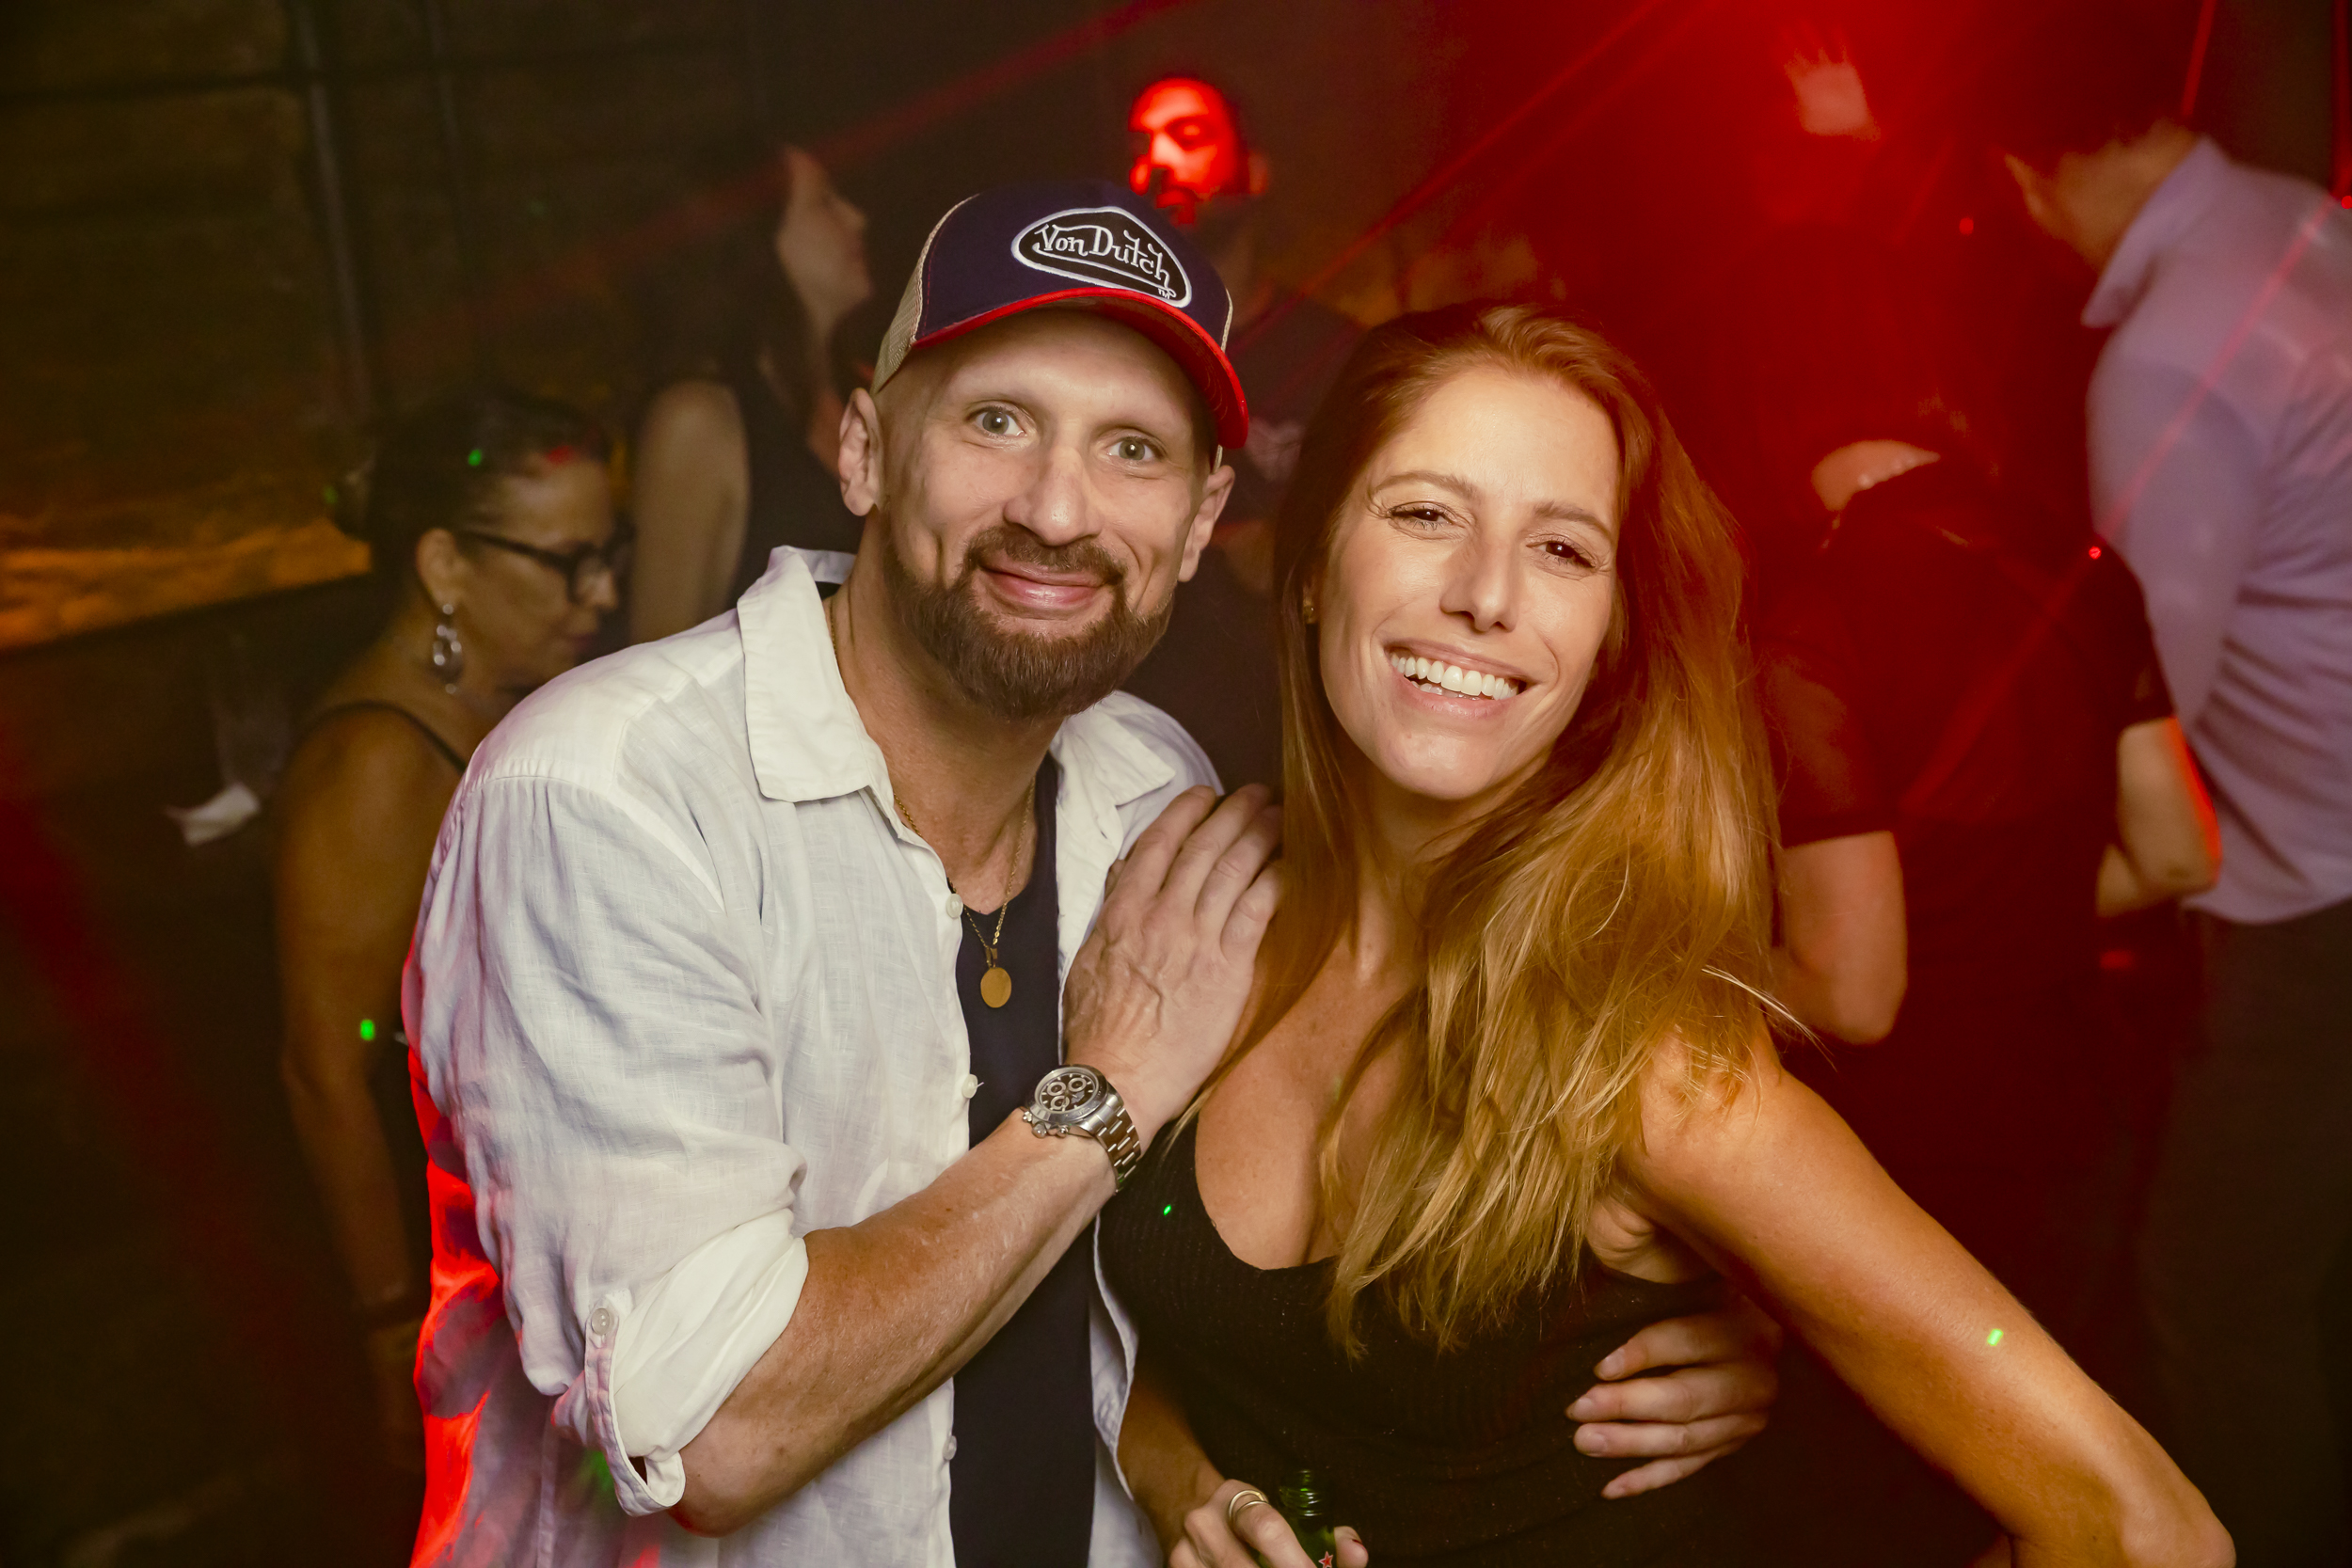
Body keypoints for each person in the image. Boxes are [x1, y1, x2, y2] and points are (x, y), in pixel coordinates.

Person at [400, 183, 1778, 1567]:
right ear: (865, 449)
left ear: (1203, 516)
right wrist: (1102, 1099)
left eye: (1133, 449)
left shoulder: (1155, 792)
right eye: (996, 422)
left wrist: (1669, 1315)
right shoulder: (610, 796)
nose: (1058, 509)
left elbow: (1218, 1268)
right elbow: (716, 1433)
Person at [1095, 303, 2231, 1568]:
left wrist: (1784, 1312)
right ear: (1309, 565)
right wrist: (1171, 1473)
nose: (1485, 595)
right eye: (1424, 513)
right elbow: (1109, 1327)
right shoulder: (1193, 919)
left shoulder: (1645, 1059)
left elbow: (2144, 1530)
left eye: (1562, 548)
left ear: (1609, 636)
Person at [1731, 232, 2217, 1565]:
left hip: (1910, 1159)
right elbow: (2178, 854)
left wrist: (1678, 958)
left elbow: (1854, 988)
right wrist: (2010, 915)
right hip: (2077, 1119)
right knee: (2053, 1493)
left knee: (1882, 1508)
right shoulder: (2085, 567)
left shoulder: (1815, 614)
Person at [1979, 15, 2352, 1564]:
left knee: (2216, 1288)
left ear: (2023, 172)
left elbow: (2138, 718)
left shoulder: (2170, 356)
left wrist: (1968, 903)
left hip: (2314, 892)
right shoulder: (2298, 219)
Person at [274, 387, 622, 1474]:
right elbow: (328, 1069)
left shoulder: (509, 710)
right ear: (444, 565)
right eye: (568, 562)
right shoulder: (376, 762)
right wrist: (395, 1329)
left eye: (609, 551)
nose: (604, 592)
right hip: (456, 1285)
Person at [1117, 76, 1364, 790]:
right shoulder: (1116, 353)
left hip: (1312, 748)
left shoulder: (1340, 354)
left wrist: (1294, 540)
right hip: (1144, 745)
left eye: (1188, 136)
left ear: (1254, 174)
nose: (1158, 162)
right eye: (1141, 146)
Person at [629, 139, 872, 641]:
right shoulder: (699, 419)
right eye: (824, 203)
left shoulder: (868, 391)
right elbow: (656, 652)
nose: (856, 218)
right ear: (755, 241)